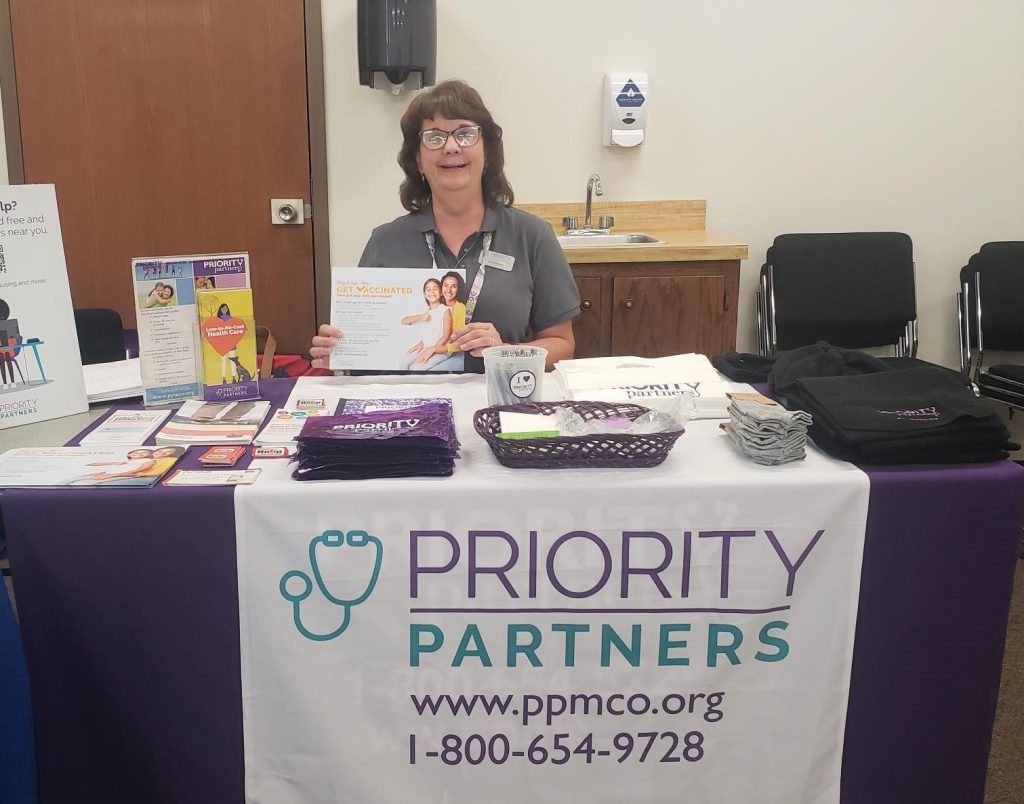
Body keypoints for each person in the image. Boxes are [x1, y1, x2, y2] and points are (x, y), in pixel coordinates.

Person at [309, 79, 579, 373]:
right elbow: (371, 349)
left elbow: (562, 344)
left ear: (487, 152)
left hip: (498, 400)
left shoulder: (532, 236)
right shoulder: (385, 241)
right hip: (412, 408)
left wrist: (506, 353)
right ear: (418, 161)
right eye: (434, 138)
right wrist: (342, 349)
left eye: (465, 134)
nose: (451, 147)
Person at [399, 277, 453, 370]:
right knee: (403, 361)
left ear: (440, 293)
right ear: (424, 294)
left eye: (435, 289)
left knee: (416, 368)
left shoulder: (445, 310)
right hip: (427, 347)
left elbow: (446, 336)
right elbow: (404, 321)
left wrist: (431, 350)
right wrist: (422, 343)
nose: (432, 292)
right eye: (428, 289)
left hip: (441, 349)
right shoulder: (426, 311)